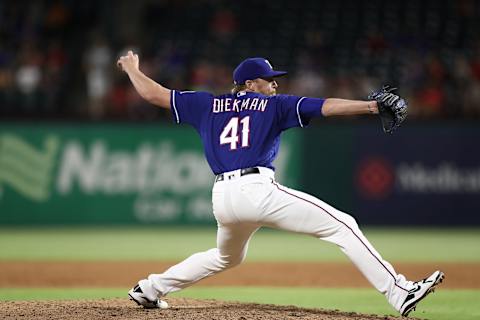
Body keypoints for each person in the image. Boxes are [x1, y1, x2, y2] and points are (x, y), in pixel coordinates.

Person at [117, 51, 444, 317]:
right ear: (249, 83)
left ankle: (151, 288)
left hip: (222, 197)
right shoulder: (275, 105)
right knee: (343, 225)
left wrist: (132, 67)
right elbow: (326, 106)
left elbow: (153, 94)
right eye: (269, 79)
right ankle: (399, 290)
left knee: (226, 257)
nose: (274, 85)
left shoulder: (205, 103)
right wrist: (371, 106)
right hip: (256, 190)